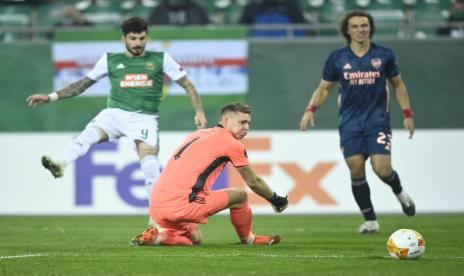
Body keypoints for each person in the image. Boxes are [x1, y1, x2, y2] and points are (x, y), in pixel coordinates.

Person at [26, 17, 208, 227]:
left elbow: (188, 84)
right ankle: (61, 163)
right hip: (114, 114)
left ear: (146, 37)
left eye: (141, 38)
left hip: (144, 117)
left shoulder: (161, 58)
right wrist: (51, 97)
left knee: (149, 163)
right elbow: (82, 84)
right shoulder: (109, 59)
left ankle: (157, 219)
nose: (138, 43)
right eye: (133, 38)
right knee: (87, 135)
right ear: (124, 39)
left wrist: (199, 112)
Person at [299, 10, 416, 234]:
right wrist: (310, 109)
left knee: (382, 170)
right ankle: (370, 220)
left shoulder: (384, 54)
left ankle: (400, 193)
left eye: (364, 25)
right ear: (347, 31)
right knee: (356, 170)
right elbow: (325, 88)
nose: (360, 30)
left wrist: (407, 114)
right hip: (350, 124)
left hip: (377, 120)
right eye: (355, 26)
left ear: (370, 28)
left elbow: (398, 85)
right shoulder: (337, 58)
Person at [131, 103, 288, 246]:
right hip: (183, 204)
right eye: (242, 122)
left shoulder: (198, 134)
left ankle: (159, 237)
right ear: (226, 120)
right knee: (240, 197)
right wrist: (275, 199)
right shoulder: (233, 144)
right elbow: (253, 181)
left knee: (195, 239)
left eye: (248, 123)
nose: (246, 127)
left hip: (157, 203)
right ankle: (249, 239)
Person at [239, 0, 308, 37]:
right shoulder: (252, 7)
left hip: (285, 51)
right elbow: (241, 31)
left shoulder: (291, 5)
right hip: (257, 50)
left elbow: (301, 29)